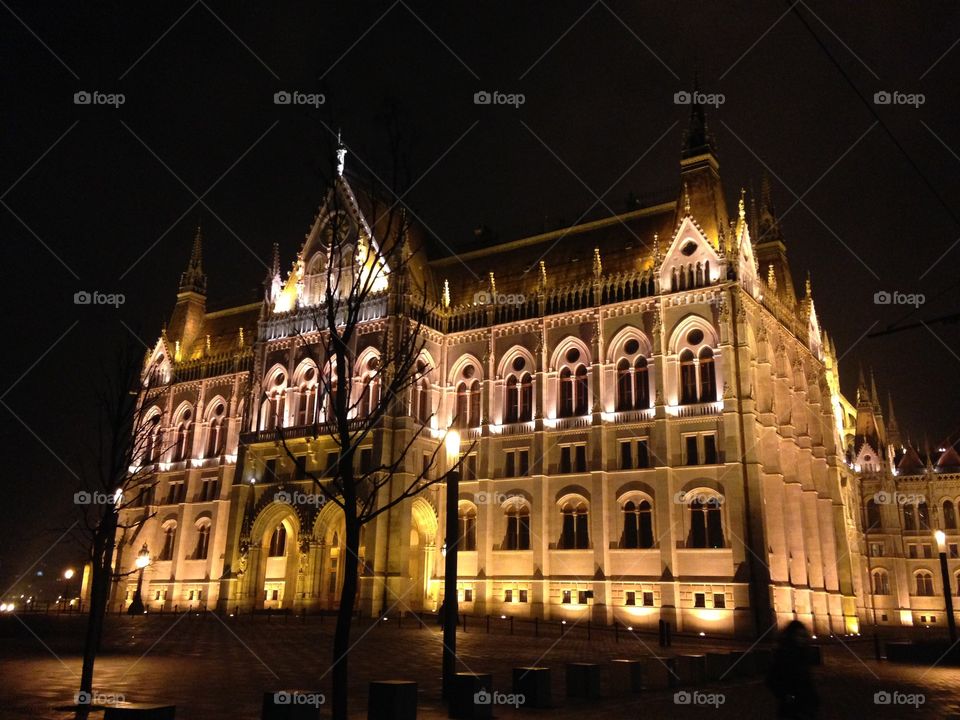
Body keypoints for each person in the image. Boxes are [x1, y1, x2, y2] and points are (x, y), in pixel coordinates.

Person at [766, 620, 819, 719]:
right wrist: (787, 696)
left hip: (804, 704)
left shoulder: (803, 654)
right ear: (791, 636)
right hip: (791, 706)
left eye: (804, 636)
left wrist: (814, 699)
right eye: (799, 636)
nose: (802, 639)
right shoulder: (784, 655)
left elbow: (806, 680)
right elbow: (771, 679)